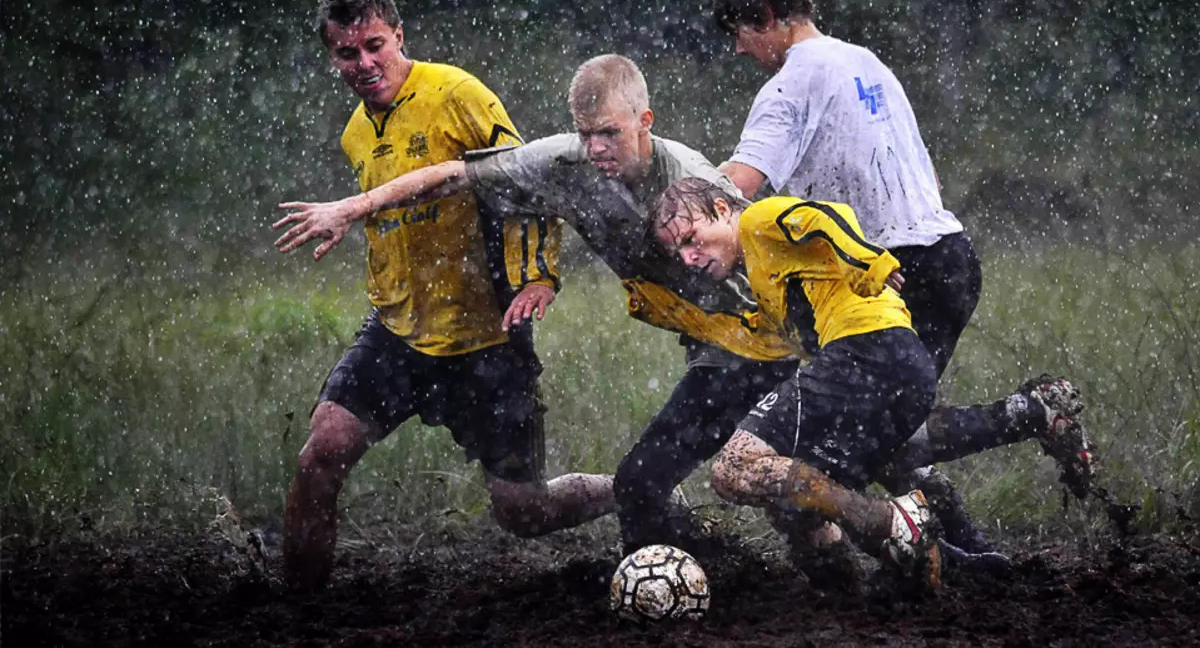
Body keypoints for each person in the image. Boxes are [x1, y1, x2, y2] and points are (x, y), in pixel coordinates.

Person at [274, 54, 1088, 588]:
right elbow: (457, 173)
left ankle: (966, 553)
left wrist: (876, 296)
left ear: (646, 125)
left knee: (867, 462)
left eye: (610, 134)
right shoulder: (562, 161)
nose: (595, 149)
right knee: (641, 484)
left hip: (781, 350)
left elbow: (789, 238)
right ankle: (705, 579)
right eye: (586, 133)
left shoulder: (701, 184)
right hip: (717, 355)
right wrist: (355, 204)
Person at [711, 0, 1094, 554]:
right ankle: (974, 542)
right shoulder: (867, 62)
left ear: (767, 13)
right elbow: (928, 176)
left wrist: (671, 214)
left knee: (837, 460)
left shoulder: (791, 84)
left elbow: (735, 188)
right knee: (894, 435)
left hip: (891, 274)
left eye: (739, 32)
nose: (738, 49)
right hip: (949, 256)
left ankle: (1009, 439)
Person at [275, 0, 614, 591]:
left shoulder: (456, 94)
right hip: (400, 331)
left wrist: (536, 274)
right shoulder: (355, 131)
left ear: (399, 36)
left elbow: (526, 180)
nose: (365, 64)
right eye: (348, 54)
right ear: (333, 58)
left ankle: (632, 490)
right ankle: (294, 609)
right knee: (321, 453)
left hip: (488, 333)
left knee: (524, 511)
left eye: (375, 46)